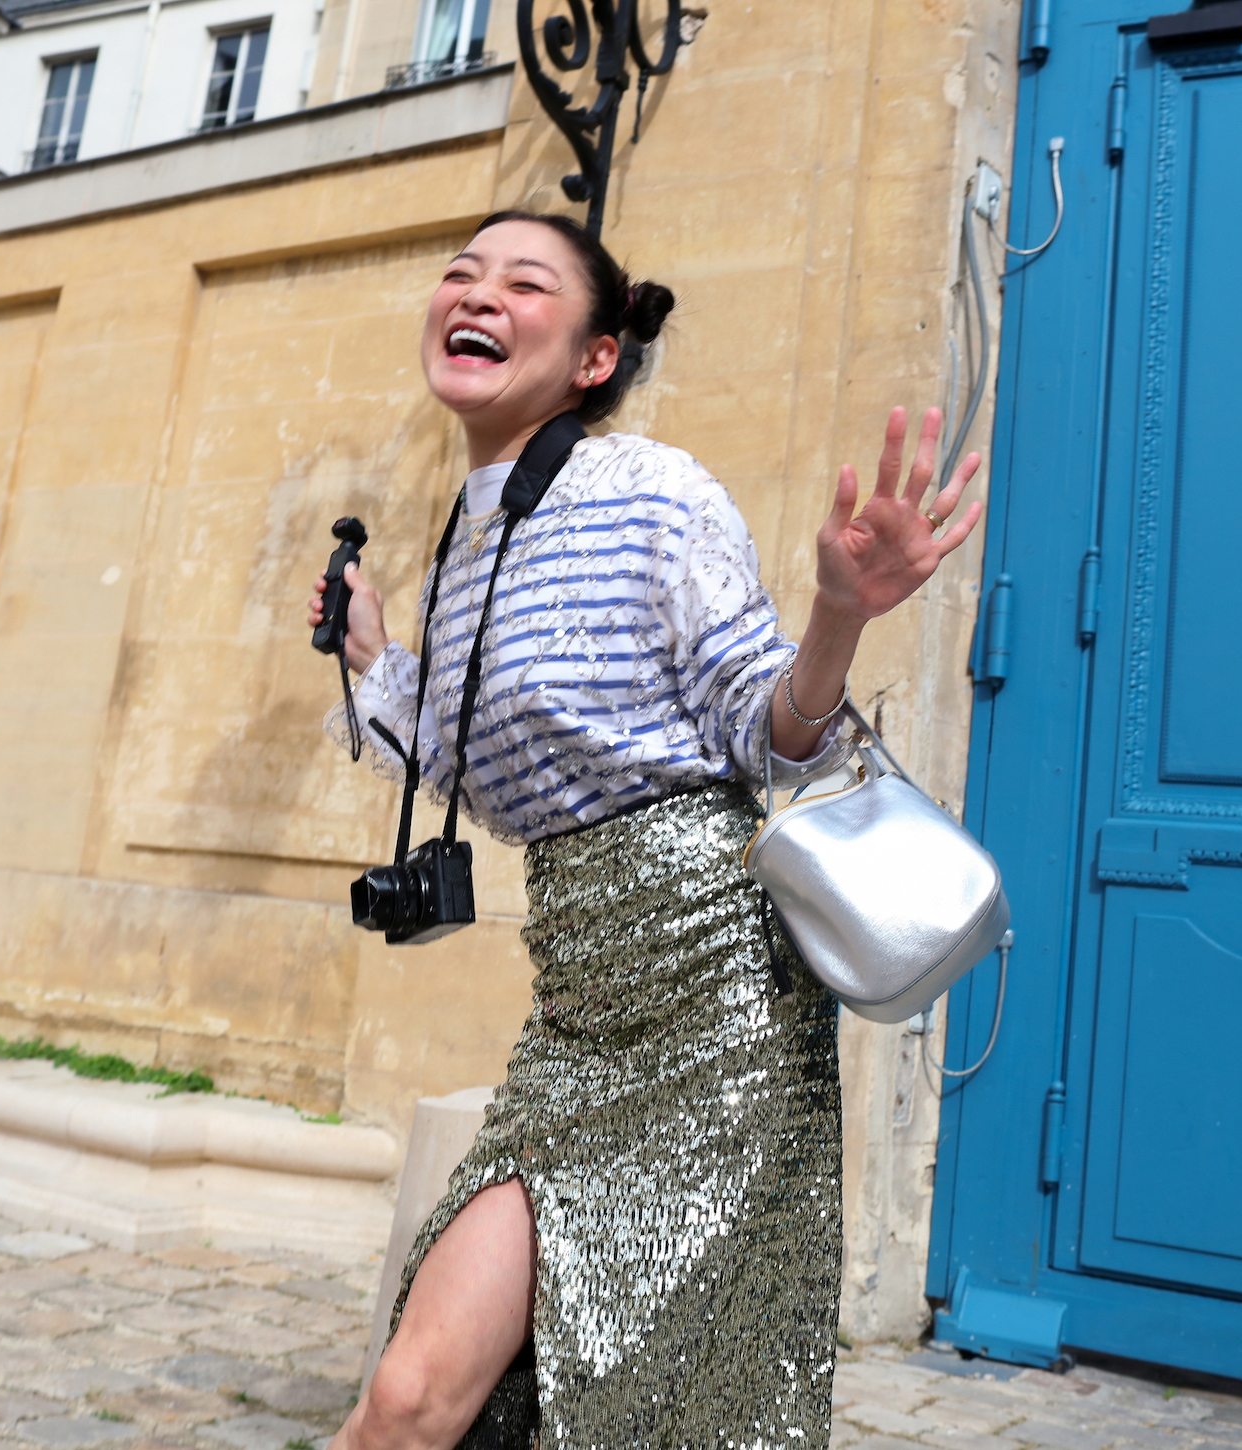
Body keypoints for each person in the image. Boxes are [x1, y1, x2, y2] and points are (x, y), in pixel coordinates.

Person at [307, 211, 983, 1449]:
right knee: (409, 1399)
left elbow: (767, 728)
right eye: (460, 275)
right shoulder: (467, 538)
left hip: (716, 1008)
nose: (477, 294)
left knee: (644, 1407)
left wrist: (836, 615)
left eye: (523, 282)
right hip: (574, 1022)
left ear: (593, 358)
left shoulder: (656, 492)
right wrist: (372, 656)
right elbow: (480, 778)